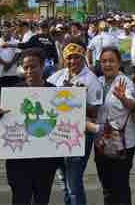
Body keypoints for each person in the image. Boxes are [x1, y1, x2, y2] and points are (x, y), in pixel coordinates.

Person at [5, 48, 61, 205]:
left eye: (33, 66)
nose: (29, 71)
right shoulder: (13, 92)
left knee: (42, 199)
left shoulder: (54, 92)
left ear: (43, 67)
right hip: (18, 162)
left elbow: (61, 122)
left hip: (45, 162)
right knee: (20, 199)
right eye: (26, 67)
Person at [48, 42, 102, 205]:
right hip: (59, 132)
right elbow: (45, 99)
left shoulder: (91, 79)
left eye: (77, 58)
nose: (73, 62)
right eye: (69, 58)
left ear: (83, 58)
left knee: (73, 182)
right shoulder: (57, 76)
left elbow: (95, 111)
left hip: (81, 135)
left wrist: (76, 97)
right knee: (64, 180)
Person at [94, 46, 135, 205]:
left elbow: (132, 104)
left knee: (120, 186)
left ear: (119, 63)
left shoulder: (125, 82)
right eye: (104, 61)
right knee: (106, 186)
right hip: (101, 142)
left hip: (122, 143)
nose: (107, 65)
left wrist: (123, 98)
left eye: (111, 61)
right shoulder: (97, 81)